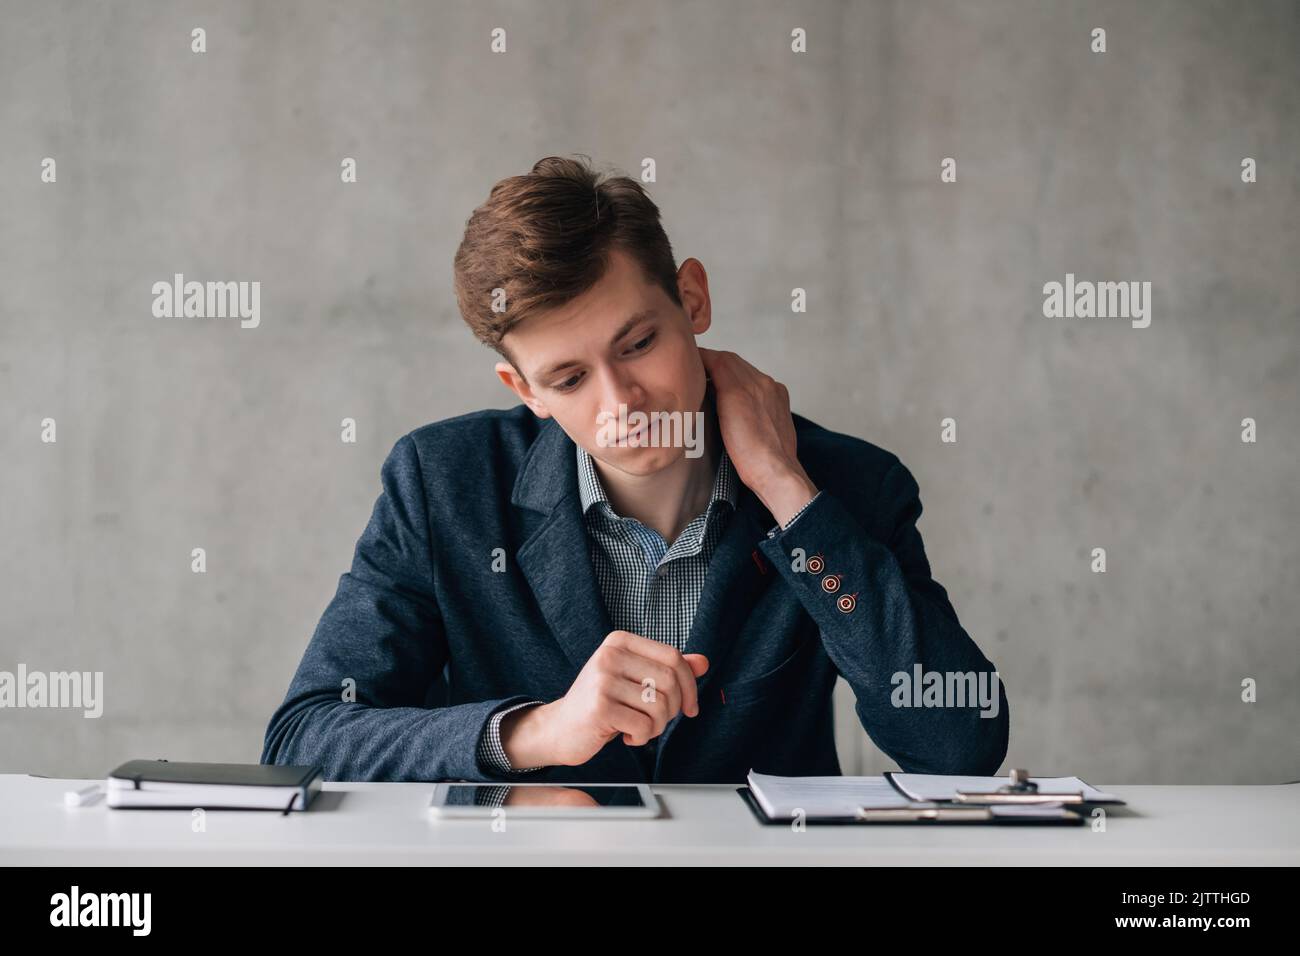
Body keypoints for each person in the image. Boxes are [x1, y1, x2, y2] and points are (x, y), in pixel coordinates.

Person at [260, 155, 1009, 784]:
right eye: (568, 379)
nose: (623, 404)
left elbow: (962, 746)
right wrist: (536, 732)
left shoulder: (845, 487)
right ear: (524, 392)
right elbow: (306, 736)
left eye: (638, 343)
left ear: (693, 297)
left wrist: (789, 493)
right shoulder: (442, 483)